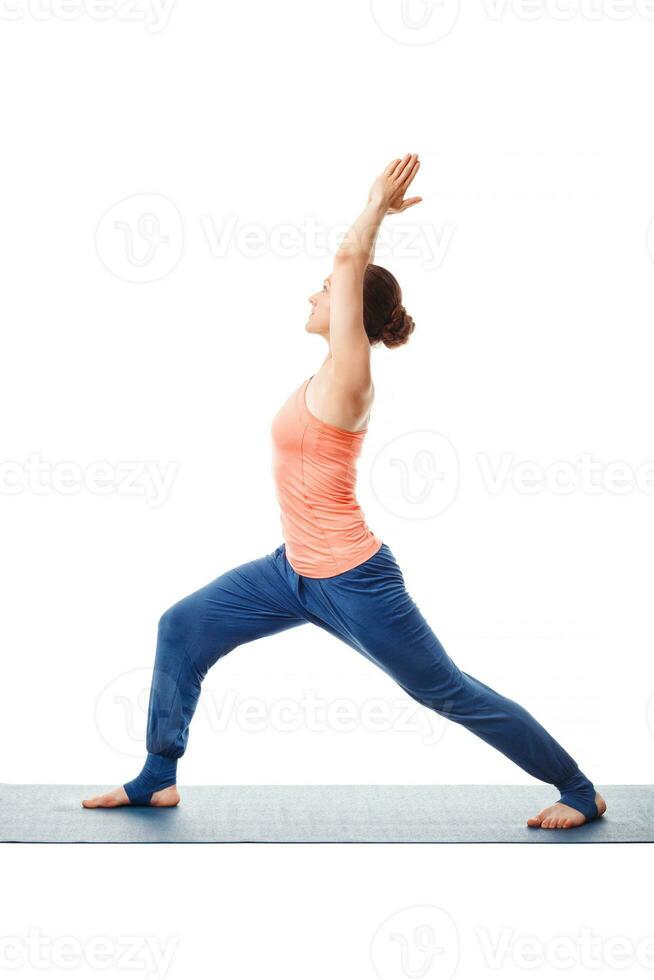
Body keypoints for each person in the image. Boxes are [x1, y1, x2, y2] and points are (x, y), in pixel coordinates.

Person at [83, 155, 605, 830]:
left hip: (355, 580)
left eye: (325, 292)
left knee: (442, 690)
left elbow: (348, 260)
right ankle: (157, 778)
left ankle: (576, 787)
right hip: (290, 572)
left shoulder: (350, 378)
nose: (312, 297)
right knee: (180, 627)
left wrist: (375, 209)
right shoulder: (323, 372)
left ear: (352, 310)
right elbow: (343, 275)